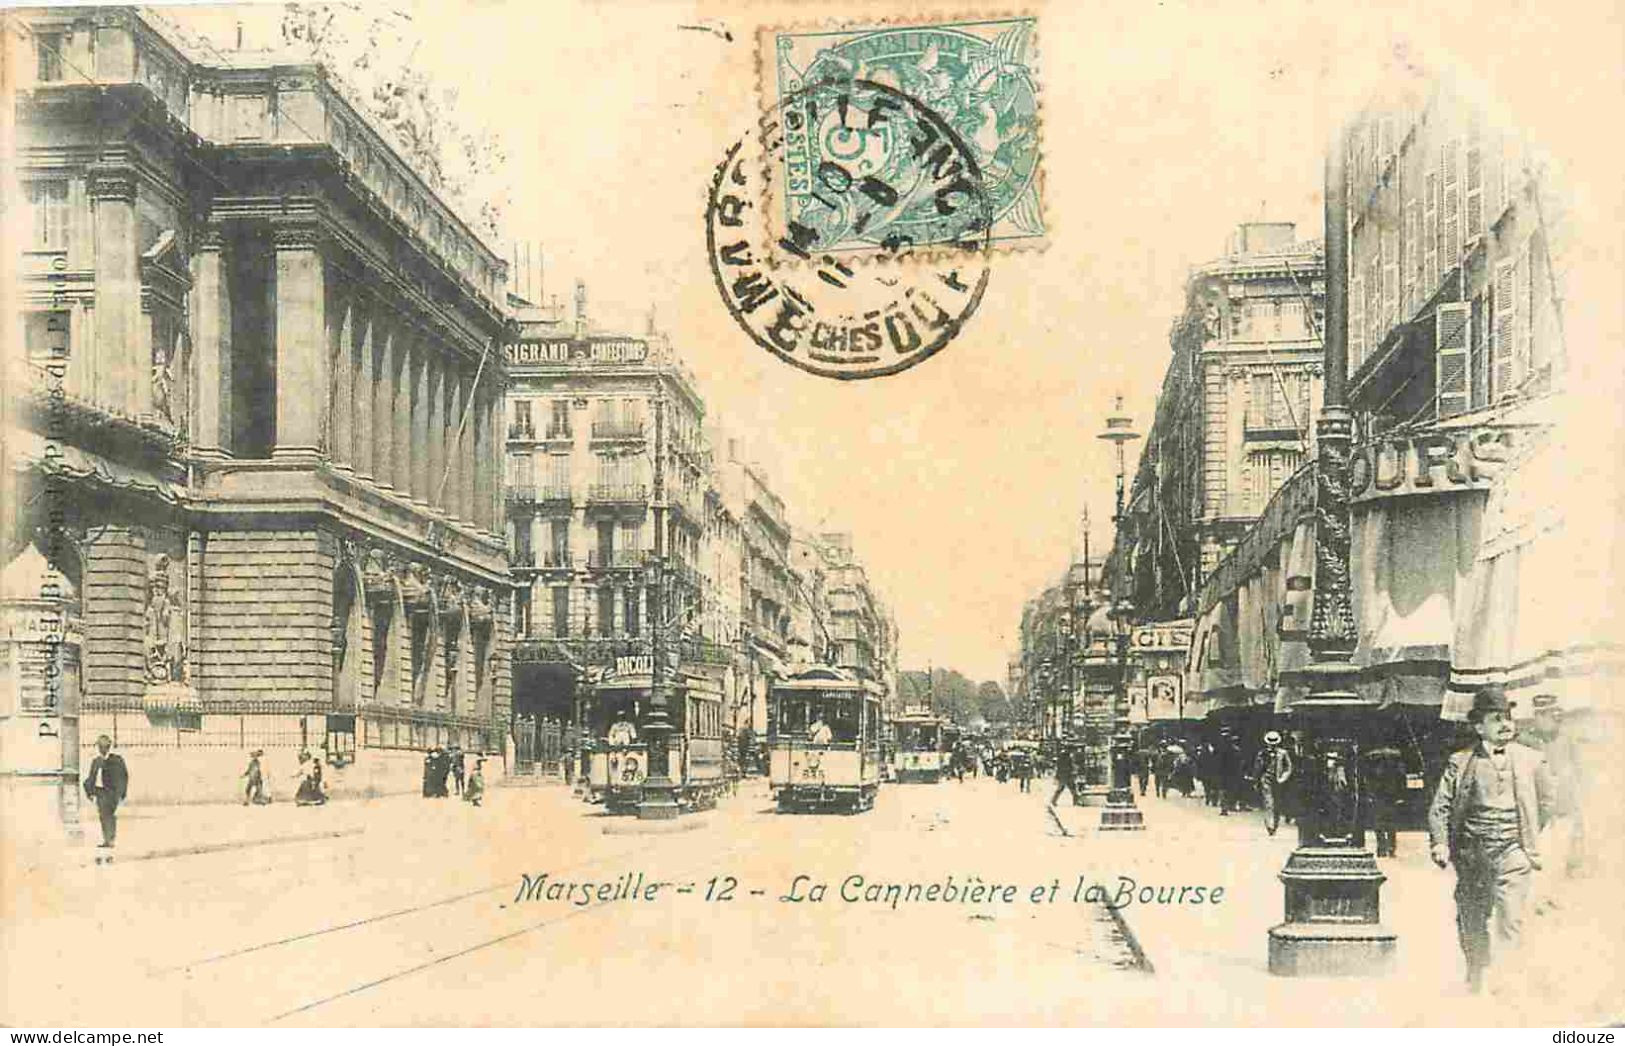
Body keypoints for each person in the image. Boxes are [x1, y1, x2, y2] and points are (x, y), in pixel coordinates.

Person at [1428, 687, 1555, 995]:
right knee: (1472, 916)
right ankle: (1476, 969)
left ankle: (1508, 981)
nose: (1505, 725)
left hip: (1513, 852)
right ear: (1479, 726)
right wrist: (1441, 843)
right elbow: (1440, 807)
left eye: (1508, 718)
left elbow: (1547, 803)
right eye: (1496, 719)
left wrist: (1526, 839)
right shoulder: (1460, 763)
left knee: (1512, 917)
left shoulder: (1532, 760)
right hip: (1473, 852)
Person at [1361, 742, 1407, 858]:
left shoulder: (1373, 761)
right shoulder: (1395, 762)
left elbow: (1368, 779)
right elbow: (1401, 778)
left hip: (1380, 794)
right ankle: (1390, 848)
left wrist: (1370, 794)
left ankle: (1382, 848)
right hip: (1389, 794)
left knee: (1380, 823)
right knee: (1389, 823)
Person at [83, 735, 129, 849]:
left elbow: (123, 777)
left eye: (104, 746)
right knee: (103, 816)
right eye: (100, 746)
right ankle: (106, 839)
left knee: (109, 815)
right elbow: (91, 777)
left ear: (108, 747)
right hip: (100, 792)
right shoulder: (96, 761)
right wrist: (89, 792)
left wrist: (121, 793)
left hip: (111, 793)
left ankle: (110, 839)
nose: (101, 749)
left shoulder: (116, 760)